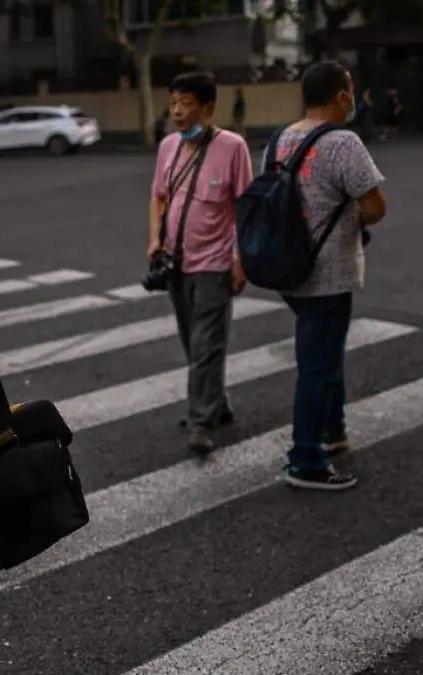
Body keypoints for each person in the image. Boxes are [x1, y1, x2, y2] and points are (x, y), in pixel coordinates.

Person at [262, 60, 386, 490]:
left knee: (325, 355)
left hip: (289, 266)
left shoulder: (279, 138)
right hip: (329, 271)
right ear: (341, 96)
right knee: (318, 364)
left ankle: (332, 431)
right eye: (350, 92)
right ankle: (305, 458)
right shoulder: (343, 142)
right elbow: (374, 207)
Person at [148, 72, 253, 454]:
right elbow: (158, 196)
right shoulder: (168, 147)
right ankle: (216, 403)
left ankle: (199, 422)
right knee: (192, 340)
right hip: (175, 260)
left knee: (208, 341)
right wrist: (155, 239)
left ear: (208, 107)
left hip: (215, 260)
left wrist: (241, 259)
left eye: (186, 103)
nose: (177, 110)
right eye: (173, 102)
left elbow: (245, 206)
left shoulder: (233, 147)